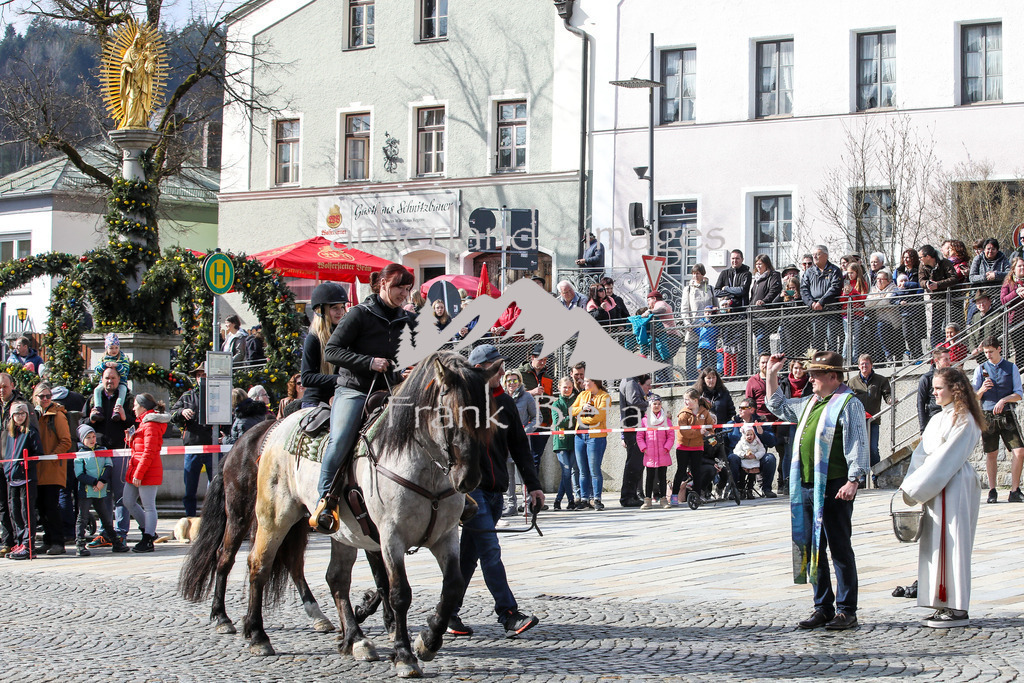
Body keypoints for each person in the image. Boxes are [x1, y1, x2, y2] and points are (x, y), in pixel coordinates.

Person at [765, 350, 869, 632]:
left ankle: (847, 610)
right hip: (807, 486)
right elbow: (777, 405)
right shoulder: (811, 402)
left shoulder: (848, 404)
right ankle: (822, 606)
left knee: (839, 549)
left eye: (816, 375)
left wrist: (854, 480)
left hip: (835, 486)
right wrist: (772, 374)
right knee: (812, 549)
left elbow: (858, 442)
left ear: (833, 377)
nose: (810, 379)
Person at [447, 344, 542, 639]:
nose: (502, 371)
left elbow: (520, 448)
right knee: (490, 551)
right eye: (494, 366)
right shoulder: (463, 401)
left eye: (500, 364)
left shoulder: (507, 402)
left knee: (467, 558)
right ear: (477, 371)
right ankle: (508, 614)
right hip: (473, 493)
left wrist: (535, 485)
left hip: (496, 491)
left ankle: (446, 612)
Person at [313, 264, 414, 533]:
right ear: (382, 285)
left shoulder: (405, 319)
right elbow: (332, 351)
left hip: (391, 389)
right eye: (398, 288)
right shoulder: (359, 314)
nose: (404, 294)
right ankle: (325, 501)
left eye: (407, 289)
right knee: (341, 439)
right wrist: (368, 362)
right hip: (354, 389)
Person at [900, 366, 984, 628]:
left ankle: (957, 606)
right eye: (934, 388)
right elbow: (921, 455)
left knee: (954, 542)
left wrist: (918, 486)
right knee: (935, 543)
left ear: (954, 389)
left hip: (955, 483)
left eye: (939, 388)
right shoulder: (937, 418)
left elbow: (948, 458)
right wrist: (912, 484)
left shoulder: (964, 419)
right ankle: (939, 601)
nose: (933, 393)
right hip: (935, 486)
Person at [85, 367, 136, 547]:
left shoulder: (128, 399)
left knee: (121, 495)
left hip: (120, 452)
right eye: (107, 378)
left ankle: (121, 533)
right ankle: (104, 532)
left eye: (113, 378)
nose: (109, 381)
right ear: (102, 379)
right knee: (102, 495)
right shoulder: (93, 399)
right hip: (99, 454)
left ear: (119, 380)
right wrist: (90, 420)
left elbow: (137, 424)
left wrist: (125, 417)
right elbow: (82, 425)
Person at [971, 336, 1024, 504]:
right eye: (986, 352)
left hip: (1007, 413)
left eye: (991, 352)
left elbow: (1019, 394)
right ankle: (992, 490)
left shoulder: (1011, 367)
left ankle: (1014, 490)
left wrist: (1004, 400)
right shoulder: (980, 369)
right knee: (991, 453)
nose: (988, 355)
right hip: (988, 414)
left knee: (1019, 451)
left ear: (999, 349)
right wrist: (982, 389)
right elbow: (974, 397)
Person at [122, 393, 169, 553]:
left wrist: (139, 473)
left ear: (142, 407)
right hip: (137, 468)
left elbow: (149, 451)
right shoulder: (144, 423)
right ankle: (148, 531)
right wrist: (130, 439)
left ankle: (148, 538)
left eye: (135, 405)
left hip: (146, 470)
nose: (133, 408)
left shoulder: (150, 424)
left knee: (149, 506)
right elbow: (141, 447)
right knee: (128, 500)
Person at [73, 424, 128, 555]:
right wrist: (93, 482)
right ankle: (80, 545)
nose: (92, 440)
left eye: (93, 437)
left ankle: (115, 542)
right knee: (82, 518)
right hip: (87, 491)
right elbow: (79, 474)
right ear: (82, 440)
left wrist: (102, 481)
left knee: (106, 518)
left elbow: (108, 465)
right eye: (88, 437)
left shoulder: (102, 450)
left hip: (100, 490)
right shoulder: (80, 454)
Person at [32, 382, 72, 555]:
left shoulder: (57, 416)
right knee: (41, 507)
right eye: (42, 396)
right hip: (38, 469)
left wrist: (52, 458)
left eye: (48, 396)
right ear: (35, 398)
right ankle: (48, 540)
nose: (46, 399)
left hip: (52, 468)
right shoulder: (34, 415)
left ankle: (58, 542)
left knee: (51, 506)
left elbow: (66, 441)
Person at [170, 363, 214, 518]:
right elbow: (172, 414)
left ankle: (211, 517)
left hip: (212, 446)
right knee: (190, 488)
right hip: (192, 446)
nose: (202, 378)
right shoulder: (187, 396)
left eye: (204, 375)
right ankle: (190, 518)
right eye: (199, 375)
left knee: (214, 486)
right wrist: (182, 411)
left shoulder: (216, 394)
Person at [300, 281, 349, 410]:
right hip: (316, 401)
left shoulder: (347, 336)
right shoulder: (313, 338)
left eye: (342, 307)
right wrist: (339, 379)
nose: (340, 312)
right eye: (334, 308)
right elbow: (306, 377)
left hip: (342, 396)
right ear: (321, 310)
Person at [3, 401, 42, 560]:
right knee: (14, 512)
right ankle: (20, 542)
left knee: (27, 513)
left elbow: (38, 453)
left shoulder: (31, 431)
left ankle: (28, 545)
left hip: (26, 478)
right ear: (12, 416)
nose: (19, 417)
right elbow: (7, 454)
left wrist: (23, 464)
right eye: (16, 414)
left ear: (26, 415)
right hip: (12, 478)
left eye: (22, 413)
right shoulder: (11, 433)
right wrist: (8, 469)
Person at [847, 355, 892, 477]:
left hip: (873, 420)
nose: (864, 366)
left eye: (866, 364)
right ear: (858, 366)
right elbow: (846, 399)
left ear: (871, 365)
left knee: (873, 449)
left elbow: (887, 394)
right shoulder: (852, 382)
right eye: (862, 364)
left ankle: (877, 476)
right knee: (859, 451)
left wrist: (890, 400)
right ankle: (860, 479)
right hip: (857, 421)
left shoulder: (881, 380)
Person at [725, 396, 778, 498]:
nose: (739, 409)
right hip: (739, 456)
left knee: (770, 458)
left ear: (752, 410)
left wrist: (762, 433)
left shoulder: (761, 422)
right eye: (739, 407)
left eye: (743, 407)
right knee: (732, 457)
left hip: (757, 456)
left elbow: (772, 442)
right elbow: (725, 442)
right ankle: (735, 490)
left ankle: (766, 489)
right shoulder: (732, 423)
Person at [571, 377, 610, 510]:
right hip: (580, 436)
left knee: (594, 469)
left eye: (587, 381)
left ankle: (597, 499)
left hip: (596, 437)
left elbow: (599, 416)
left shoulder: (604, 396)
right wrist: (583, 408)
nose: (584, 383)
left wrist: (581, 417)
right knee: (582, 470)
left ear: (595, 382)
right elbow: (572, 410)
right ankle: (584, 499)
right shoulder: (582, 395)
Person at [671, 388, 716, 504]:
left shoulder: (704, 413)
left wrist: (709, 435)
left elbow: (711, 427)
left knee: (697, 471)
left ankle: (696, 495)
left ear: (695, 400)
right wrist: (699, 433)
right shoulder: (683, 414)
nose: (685, 402)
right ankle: (674, 495)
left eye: (687, 399)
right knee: (681, 471)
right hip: (683, 446)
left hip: (698, 446)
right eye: (684, 400)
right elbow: (684, 432)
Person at [501, 369, 536, 516]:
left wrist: (524, 431)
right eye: (509, 381)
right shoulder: (500, 397)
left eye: (515, 380)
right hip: (504, 442)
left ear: (520, 381)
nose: (512, 383)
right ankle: (511, 505)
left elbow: (536, 418)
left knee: (523, 474)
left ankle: (527, 504)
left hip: (521, 442)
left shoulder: (527, 397)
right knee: (508, 476)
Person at [714, 249, 752, 376]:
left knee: (740, 347)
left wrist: (727, 289)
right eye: (732, 259)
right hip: (727, 316)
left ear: (742, 259)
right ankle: (728, 374)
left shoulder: (746, 274)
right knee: (727, 348)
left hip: (740, 314)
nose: (734, 261)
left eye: (737, 258)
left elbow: (743, 290)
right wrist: (731, 292)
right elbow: (717, 292)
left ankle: (741, 374)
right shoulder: (725, 273)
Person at [517, 345, 553, 476]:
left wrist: (551, 422)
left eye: (545, 360)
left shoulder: (548, 377)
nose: (543, 362)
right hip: (525, 423)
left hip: (543, 423)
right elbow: (510, 394)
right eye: (540, 359)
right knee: (527, 458)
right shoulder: (519, 373)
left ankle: (534, 489)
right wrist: (531, 393)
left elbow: (550, 400)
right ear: (532, 358)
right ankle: (531, 489)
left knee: (536, 458)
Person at [800, 245, 844, 353]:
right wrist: (811, 303)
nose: (815, 256)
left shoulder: (834, 270)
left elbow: (835, 288)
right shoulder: (809, 272)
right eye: (814, 254)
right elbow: (803, 289)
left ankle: (831, 363)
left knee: (831, 338)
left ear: (826, 255)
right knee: (817, 340)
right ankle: (817, 364)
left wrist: (822, 302)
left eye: (818, 254)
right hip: (815, 311)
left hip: (831, 310)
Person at [919, 244, 963, 345]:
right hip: (937, 299)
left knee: (952, 326)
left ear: (928, 257)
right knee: (936, 327)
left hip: (952, 299)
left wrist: (938, 285)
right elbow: (921, 280)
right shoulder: (922, 266)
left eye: (921, 257)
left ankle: (954, 349)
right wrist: (927, 284)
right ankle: (935, 351)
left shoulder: (945, 263)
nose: (919, 259)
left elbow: (954, 278)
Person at [618, 373, 651, 508]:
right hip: (633, 426)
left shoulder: (626, 380)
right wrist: (648, 404)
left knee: (633, 463)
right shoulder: (630, 382)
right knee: (634, 464)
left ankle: (630, 495)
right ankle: (628, 496)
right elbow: (634, 401)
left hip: (631, 426)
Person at [680, 264, 718, 381]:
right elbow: (684, 308)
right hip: (693, 328)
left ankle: (708, 379)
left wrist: (715, 323)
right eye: (694, 273)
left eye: (698, 273)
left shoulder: (710, 288)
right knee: (691, 356)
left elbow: (716, 307)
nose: (696, 275)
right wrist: (688, 324)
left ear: (703, 274)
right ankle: (691, 380)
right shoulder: (688, 289)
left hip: (708, 329)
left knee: (708, 357)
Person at [637, 394, 672, 509]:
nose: (657, 406)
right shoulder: (644, 421)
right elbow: (640, 436)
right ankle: (647, 499)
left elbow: (671, 435)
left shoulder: (666, 420)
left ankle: (663, 499)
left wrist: (666, 448)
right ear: (650, 405)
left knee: (662, 476)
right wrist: (644, 448)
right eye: (654, 404)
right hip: (650, 454)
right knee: (649, 477)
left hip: (663, 453)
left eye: (659, 404)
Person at [550, 377, 578, 511]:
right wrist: (572, 417)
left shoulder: (575, 401)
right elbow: (558, 422)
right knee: (566, 471)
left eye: (570, 387)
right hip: (560, 442)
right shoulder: (556, 404)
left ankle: (558, 500)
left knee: (567, 473)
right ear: (559, 388)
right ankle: (571, 500)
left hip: (573, 441)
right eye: (564, 387)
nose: (567, 389)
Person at [749, 254, 782, 357]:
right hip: (755, 315)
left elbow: (774, 291)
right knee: (760, 340)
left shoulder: (773, 275)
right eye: (757, 264)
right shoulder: (757, 279)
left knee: (762, 339)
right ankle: (763, 362)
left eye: (760, 264)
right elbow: (753, 295)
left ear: (766, 264)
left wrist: (764, 301)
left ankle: (765, 363)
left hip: (765, 316)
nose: (758, 266)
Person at [645, 292, 681, 384]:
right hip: (670, 338)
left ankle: (664, 384)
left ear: (654, 299)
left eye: (649, 300)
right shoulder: (664, 304)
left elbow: (662, 308)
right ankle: (666, 383)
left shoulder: (660, 303)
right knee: (662, 363)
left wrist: (650, 311)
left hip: (669, 338)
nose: (648, 303)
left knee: (656, 361)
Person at [865, 269, 900, 364]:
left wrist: (875, 300)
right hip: (879, 321)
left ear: (888, 280)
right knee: (877, 337)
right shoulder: (873, 289)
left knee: (882, 330)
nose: (879, 281)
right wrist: (881, 297)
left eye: (882, 279)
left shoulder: (893, 288)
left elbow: (886, 302)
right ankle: (883, 360)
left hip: (893, 322)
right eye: (877, 279)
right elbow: (867, 303)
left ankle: (889, 357)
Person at [92, 333, 130, 411]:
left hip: (121, 382)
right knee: (97, 390)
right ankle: (98, 407)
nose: (114, 350)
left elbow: (125, 372)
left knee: (123, 391)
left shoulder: (122, 358)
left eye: (116, 347)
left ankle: (118, 408)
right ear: (106, 348)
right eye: (111, 348)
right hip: (104, 383)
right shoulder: (103, 359)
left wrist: (117, 366)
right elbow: (97, 371)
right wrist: (104, 365)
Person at [840, 262, 869, 361]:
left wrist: (853, 291)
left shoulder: (862, 283)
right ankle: (844, 357)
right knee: (848, 336)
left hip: (858, 313)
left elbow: (862, 298)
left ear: (857, 272)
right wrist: (845, 293)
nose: (850, 275)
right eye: (848, 273)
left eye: (852, 273)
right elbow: (841, 300)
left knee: (855, 338)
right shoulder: (846, 283)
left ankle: (854, 359)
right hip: (846, 313)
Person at [918, 348, 952, 431]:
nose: (949, 362)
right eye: (945, 359)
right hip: (933, 416)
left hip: (950, 416)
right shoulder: (926, 378)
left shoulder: (953, 376)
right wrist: (923, 429)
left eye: (949, 358)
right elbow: (920, 403)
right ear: (937, 361)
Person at [969, 237, 1010, 303]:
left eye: (993, 249)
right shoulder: (978, 259)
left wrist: (996, 275)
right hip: (981, 296)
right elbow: (972, 277)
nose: (990, 251)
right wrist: (985, 277)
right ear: (984, 249)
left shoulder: (1003, 259)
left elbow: (1009, 273)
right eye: (988, 249)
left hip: (998, 295)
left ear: (997, 250)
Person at [1000, 256, 1024, 366]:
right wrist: (1016, 292)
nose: (1022, 268)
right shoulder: (1008, 282)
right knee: (1019, 350)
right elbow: (1003, 300)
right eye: (1019, 266)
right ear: (1013, 269)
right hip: (1015, 321)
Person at [967, 291, 1001, 362]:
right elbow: (971, 335)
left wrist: (985, 343)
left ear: (989, 301)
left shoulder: (997, 314)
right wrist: (973, 349)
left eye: (983, 302)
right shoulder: (975, 317)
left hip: (994, 353)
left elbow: (999, 332)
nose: (981, 305)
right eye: (979, 303)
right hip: (980, 355)